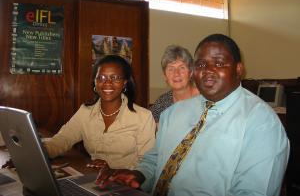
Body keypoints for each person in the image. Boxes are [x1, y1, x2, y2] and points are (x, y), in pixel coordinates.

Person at [95, 34, 290, 196]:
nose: (208, 71)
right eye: (201, 64)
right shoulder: (173, 113)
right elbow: (154, 161)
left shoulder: (261, 124)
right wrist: (139, 175)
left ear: (239, 70)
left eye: (219, 63)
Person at [44, 55, 156, 170]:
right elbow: (62, 140)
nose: (107, 82)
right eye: (101, 77)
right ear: (95, 82)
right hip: (94, 180)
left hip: (127, 184)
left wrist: (113, 171)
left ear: (124, 83)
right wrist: (38, 150)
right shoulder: (85, 112)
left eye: (115, 77)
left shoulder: (143, 117)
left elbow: (147, 164)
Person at [150, 45, 199, 122]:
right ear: (165, 76)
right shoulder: (161, 103)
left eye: (182, 68)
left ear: (191, 73)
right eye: (171, 69)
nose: (176, 73)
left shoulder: (205, 99)